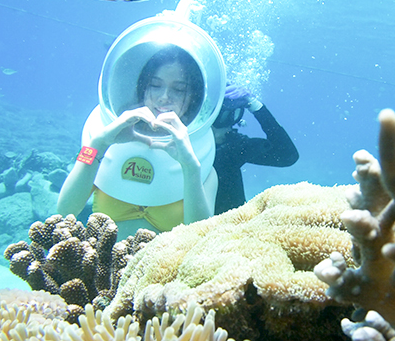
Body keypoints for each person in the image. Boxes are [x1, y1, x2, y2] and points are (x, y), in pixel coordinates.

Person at [57, 45, 218, 237]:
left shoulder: (201, 159)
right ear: (142, 87)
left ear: (193, 97)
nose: (164, 97)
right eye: (155, 85)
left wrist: (190, 166)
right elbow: (65, 210)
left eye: (179, 89)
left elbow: (199, 236)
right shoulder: (107, 142)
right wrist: (97, 144)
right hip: (101, 265)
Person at [211, 84, 299, 214]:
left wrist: (257, 108)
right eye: (222, 117)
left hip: (232, 230)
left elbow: (287, 155)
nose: (229, 124)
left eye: (235, 115)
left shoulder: (234, 148)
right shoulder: (179, 144)